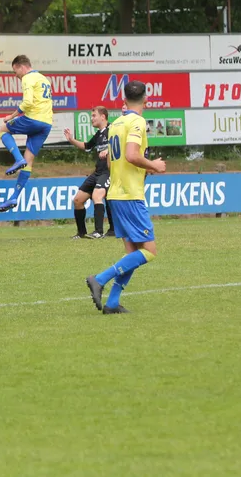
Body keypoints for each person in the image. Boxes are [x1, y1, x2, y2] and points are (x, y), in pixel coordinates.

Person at [85, 81, 167, 314]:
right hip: (130, 194)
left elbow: (112, 162)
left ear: (124, 99)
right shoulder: (137, 122)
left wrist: (143, 168)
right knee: (149, 251)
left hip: (115, 192)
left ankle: (112, 303)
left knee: (132, 252)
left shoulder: (116, 123)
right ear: (146, 99)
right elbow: (131, 155)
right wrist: (154, 165)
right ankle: (100, 279)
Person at [0, 55, 53, 212]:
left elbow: (27, 102)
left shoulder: (28, 78)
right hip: (46, 124)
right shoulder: (44, 79)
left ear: (21, 67)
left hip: (33, 119)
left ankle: (17, 158)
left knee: (2, 129)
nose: (16, 75)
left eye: (15, 71)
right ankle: (14, 197)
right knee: (29, 161)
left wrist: (11, 116)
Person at [63, 106, 116, 239]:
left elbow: (121, 145)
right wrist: (71, 140)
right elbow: (87, 146)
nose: (91, 119)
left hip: (108, 172)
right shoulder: (99, 134)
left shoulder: (113, 130)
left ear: (103, 117)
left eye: (94, 116)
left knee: (97, 196)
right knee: (78, 200)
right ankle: (81, 233)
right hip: (97, 172)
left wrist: (108, 150)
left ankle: (98, 231)